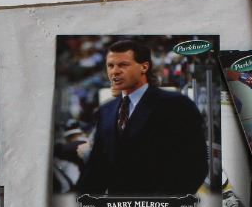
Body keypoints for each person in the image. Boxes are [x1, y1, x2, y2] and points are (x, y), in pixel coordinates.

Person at [72, 39, 209, 196]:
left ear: (144, 67)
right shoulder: (106, 111)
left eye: (123, 65)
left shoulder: (176, 104)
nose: (115, 71)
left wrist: (164, 203)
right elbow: (96, 170)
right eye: (110, 66)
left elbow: (195, 165)